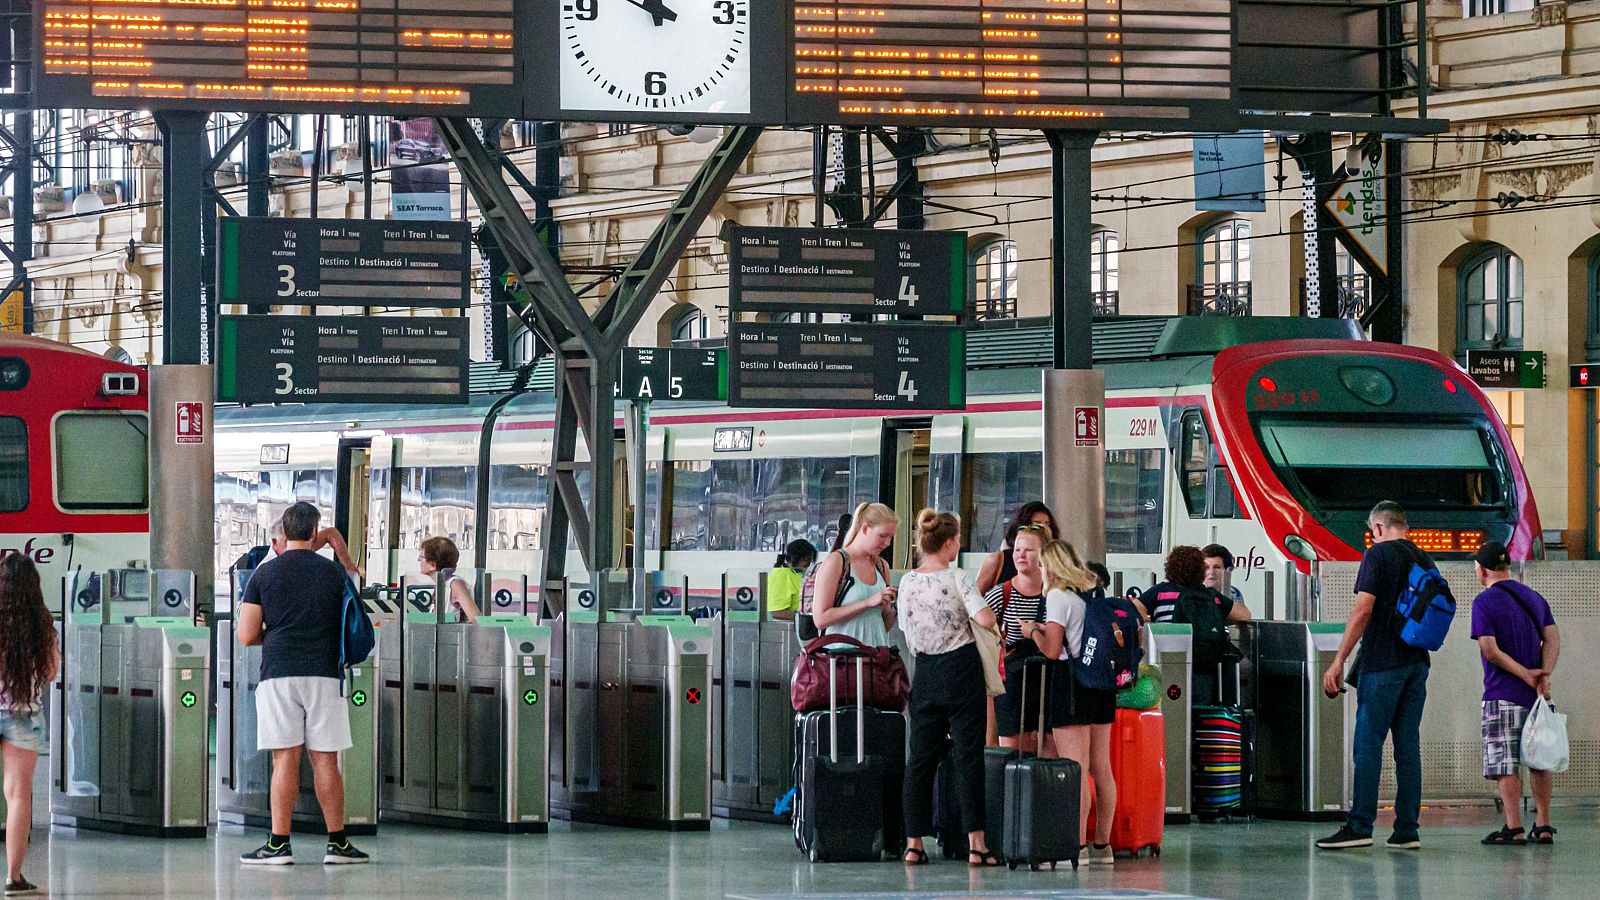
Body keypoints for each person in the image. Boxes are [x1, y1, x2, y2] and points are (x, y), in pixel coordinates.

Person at [238, 501, 370, 866]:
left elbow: (246, 635)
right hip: (324, 674)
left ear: (283, 532)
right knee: (326, 760)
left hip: (279, 674)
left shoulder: (263, 575)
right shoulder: (333, 574)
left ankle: (279, 844)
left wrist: (277, 635)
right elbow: (351, 614)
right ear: (314, 532)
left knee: (285, 760)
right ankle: (338, 844)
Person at [1317, 501, 1430, 852]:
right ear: (1404, 525)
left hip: (1382, 664)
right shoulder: (1423, 559)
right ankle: (1407, 829)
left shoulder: (1377, 556)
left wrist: (1338, 660)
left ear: (1377, 528)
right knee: (1407, 747)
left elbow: (1363, 608)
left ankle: (1360, 825)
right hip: (1417, 663)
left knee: (1367, 745)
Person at [898, 510, 1002, 868]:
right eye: (957, 539)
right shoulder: (958, 577)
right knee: (967, 756)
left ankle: (914, 843)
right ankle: (976, 844)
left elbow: (906, 630)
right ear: (948, 543)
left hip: (925, 672)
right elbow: (985, 618)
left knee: (920, 759)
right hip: (961, 670)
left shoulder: (908, 581)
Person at [1470, 541, 1561, 846]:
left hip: (1501, 694)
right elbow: (1552, 638)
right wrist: (1543, 675)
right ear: (1507, 566)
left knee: (1504, 763)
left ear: (1481, 569)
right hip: (1537, 698)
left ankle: (1514, 827)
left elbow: (1489, 649)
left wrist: (1524, 674)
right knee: (1541, 760)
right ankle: (1544, 825)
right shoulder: (1534, 598)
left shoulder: (1484, 602)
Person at [1035, 539, 1118, 868]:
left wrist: (1032, 633)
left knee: (1075, 769)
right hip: (1101, 686)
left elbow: (1052, 650)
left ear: (1050, 566)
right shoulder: (1092, 594)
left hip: (1072, 686)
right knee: (1102, 767)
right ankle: (1103, 846)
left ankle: (1077, 846)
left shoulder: (1058, 596)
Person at [0, 555, 59, 896]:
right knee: (18, 796)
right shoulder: (42, 626)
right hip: (24, 714)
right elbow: (51, 671)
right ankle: (14, 877)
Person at [1139, 545, 1248, 705]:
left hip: (1168, 662)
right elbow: (1245, 614)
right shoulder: (1209, 596)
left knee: (1170, 711)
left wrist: (1149, 622)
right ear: (1200, 570)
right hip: (1203, 665)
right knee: (1200, 711)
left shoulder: (1160, 591)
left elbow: (1135, 607)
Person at [984, 523, 1050, 754]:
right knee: (1011, 752)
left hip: (1046, 679)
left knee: (1046, 752)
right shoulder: (1001, 594)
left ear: (1044, 555)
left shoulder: (1054, 594)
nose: (1020, 555)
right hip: (1011, 682)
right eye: (1017, 549)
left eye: (1029, 550)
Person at [811, 502, 898, 646]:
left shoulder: (882, 566)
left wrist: (894, 607)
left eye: (891, 537)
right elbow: (820, 620)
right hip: (840, 659)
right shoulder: (837, 562)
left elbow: (882, 624)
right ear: (864, 528)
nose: (887, 543)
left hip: (876, 656)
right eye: (882, 536)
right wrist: (868, 603)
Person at [977, 502, 1060, 594]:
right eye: (1037, 525)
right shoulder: (998, 561)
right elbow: (974, 599)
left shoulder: (1057, 562)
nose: (1044, 529)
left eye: (1047, 524)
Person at [796, 514, 852, 641]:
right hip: (832, 640)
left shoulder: (819, 568)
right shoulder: (836, 567)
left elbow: (806, 610)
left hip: (816, 637)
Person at [418, 536, 480, 623]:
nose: (418, 560)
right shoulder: (442, 584)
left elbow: (475, 618)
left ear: (433, 563)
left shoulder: (456, 584)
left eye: (421, 556)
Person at [766, 539, 816, 622]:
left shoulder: (798, 573)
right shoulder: (781, 575)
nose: (809, 563)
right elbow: (777, 611)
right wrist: (808, 619)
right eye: (806, 560)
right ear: (794, 558)